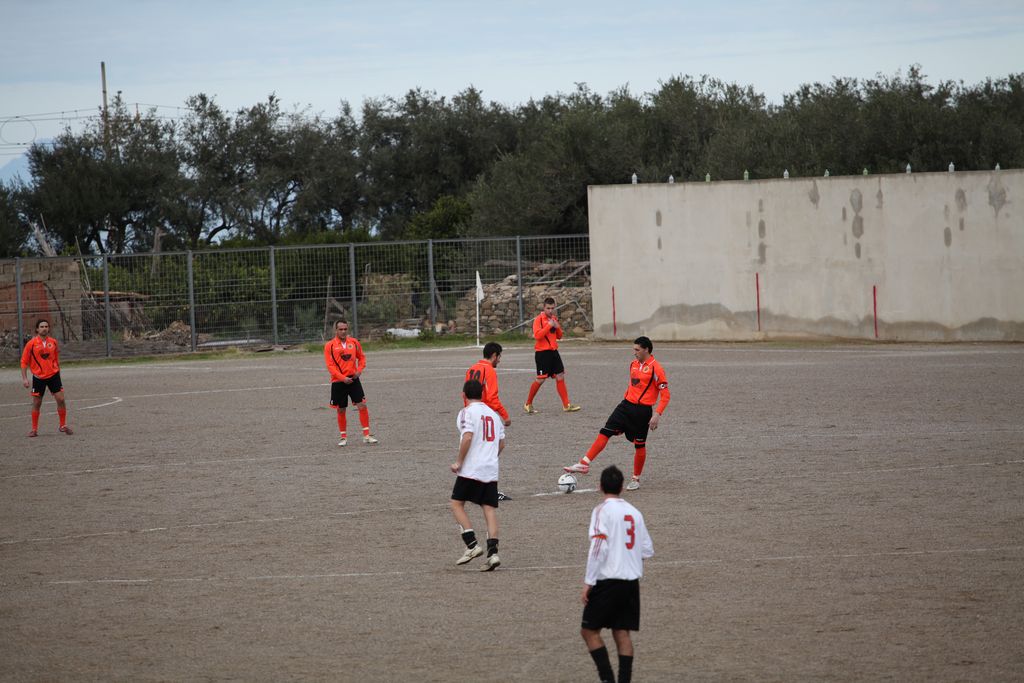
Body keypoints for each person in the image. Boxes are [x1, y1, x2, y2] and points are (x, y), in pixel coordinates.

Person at [579, 465, 654, 683]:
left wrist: (588, 582)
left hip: (608, 581)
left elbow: (598, 547)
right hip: (630, 581)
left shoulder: (601, 511)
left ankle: (607, 679)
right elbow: (647, 549)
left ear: (600, 486)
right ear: (622, 487)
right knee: (622, 632)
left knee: (589, 631)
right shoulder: (635, 513)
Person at [564, 336, 669, 491]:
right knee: (605, 431)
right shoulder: (633, 364)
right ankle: (584, 463)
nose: (634, 352)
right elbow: (633, 386)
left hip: (642, 412)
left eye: (637, 350)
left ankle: (635, 478)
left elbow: (666, 395)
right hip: (625, 406)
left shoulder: (656, 368)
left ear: (646, 349)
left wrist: (657, 414)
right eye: (634, 349)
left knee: (639, 445)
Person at [450, 379, 505, 572]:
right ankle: (493, 554)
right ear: (482, 394)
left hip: (472, 468)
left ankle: (472, 544)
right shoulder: (494, 414)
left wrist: (459, 462)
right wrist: (489, 458)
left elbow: (467, 436)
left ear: (463, 395)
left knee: (456, 503)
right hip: (490, 468)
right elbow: (502, 443)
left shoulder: (466, 412)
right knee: (488, 508)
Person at [324, 319, 378, 446]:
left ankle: (366, 435)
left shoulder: (354, 342)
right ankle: (343, 437)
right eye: (340, 329)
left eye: (345, 329)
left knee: (362, 405)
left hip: (354, 380)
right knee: (341, 409)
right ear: (336, 330)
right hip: (338, 381)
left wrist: (359, 371)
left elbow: (362, 357)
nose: (343, 331)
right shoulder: (329, 346)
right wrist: (342, 378)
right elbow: (330, 366)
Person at [523, 296, 581, 414]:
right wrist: (549, 325)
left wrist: (557, 327)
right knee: (540, 379)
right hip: (542, 354)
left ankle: (566, 405)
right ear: (544, 308)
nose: (550, 310)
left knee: (560, 376)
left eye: (552, 308)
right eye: (548, 308)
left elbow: (559, 336)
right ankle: (528, 403)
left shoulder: (554, 318)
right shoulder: (538, 320)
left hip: (554, 352)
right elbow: (537, 336)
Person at [21, 319, 73, 437]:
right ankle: (34, 429)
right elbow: (24, 361)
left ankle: (63, 425)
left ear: (48, 328)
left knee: (61, 399)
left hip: (54, 376)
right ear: (37, 329)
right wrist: (24, 378)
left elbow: (56, 359)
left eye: (46, 326)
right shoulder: (31, 344)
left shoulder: (53, 342)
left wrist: (58, 373)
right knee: (37, 403)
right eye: (42, 326)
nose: (44, 328)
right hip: (39, 377)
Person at [465, 341, 511, 427]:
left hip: (471, 412)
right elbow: (492, 398)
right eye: (499, 357)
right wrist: (505, 416)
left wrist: (467, 410)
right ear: (494, 356)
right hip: (483, 413)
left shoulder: (471, 368)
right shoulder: (489, 370)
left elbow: (465, 393)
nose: (499, 361)